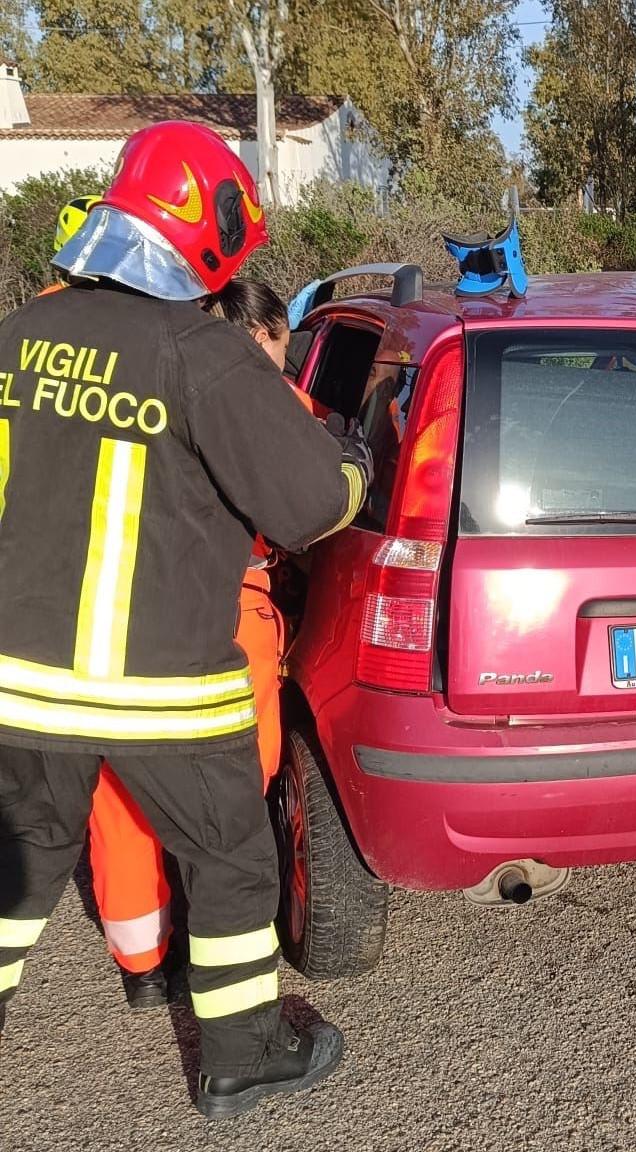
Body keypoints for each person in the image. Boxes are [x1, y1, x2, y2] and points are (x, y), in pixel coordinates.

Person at [0, 121, 371, 1120]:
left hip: (18, 683)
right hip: (161, 683)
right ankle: (241, 1058)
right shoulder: (202, 353)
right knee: (231, 862)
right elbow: (308, 505)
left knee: (17, 868)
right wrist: (356, 465)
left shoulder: (17, 337)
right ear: (211, 229)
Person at [84, 279, 315, 1010]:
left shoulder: (121, 390)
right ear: (259, 336)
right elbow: (306, 507)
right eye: (282, 346)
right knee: (234, 789)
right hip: (223, 614)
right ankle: (229, 972)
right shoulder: (266, 402)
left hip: (111, 617)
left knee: (121, 794)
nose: (283, 363)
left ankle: (145, 966)